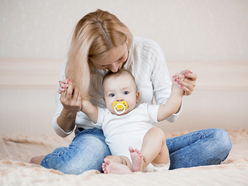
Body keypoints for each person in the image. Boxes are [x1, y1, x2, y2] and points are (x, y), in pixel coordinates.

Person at [30, 9, 232, 175]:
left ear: (126, 40)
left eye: (121, 58)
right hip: (95, 138)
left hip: (141, 142)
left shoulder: (148, 53)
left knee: (219, 141)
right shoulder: (74, 66)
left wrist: (178, 90)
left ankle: (135, 163)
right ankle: (106, 162)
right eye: (104, 65)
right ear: (88, 59)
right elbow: (66, 126)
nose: (116, 69)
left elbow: (167, 112)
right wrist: (69, 108)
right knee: (76, 165)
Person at [61, 69, 184, 174]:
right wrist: (71, 91)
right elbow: (85, 105)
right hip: (128, 162)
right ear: (105, 100)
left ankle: (142, 162)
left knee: (156, 133)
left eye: (125, 92)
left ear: (136, 97)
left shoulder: (144, 110)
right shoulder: (105, 116)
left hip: (155, 161)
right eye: (112, 95)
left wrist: (177, 90)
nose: (119, 98)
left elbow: (168, 109)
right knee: (110, 159)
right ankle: (126, 170)